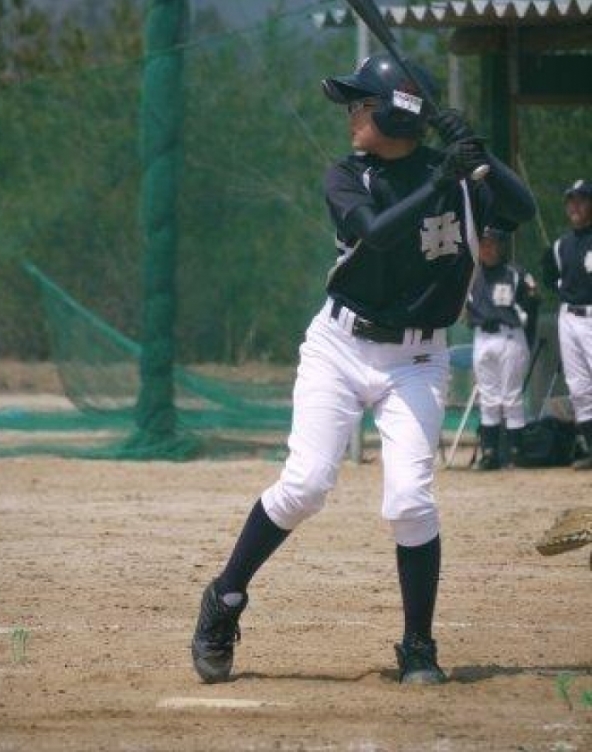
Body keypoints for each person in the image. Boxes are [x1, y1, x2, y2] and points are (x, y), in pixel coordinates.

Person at [191, 54, 536, 686]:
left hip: (418, 358)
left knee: (410, 499)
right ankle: (225, 597)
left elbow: (523, 206)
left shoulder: (458, 174)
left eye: (362, 104)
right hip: (340, 349)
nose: (351, 115)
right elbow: (375, 232)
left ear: (397, 113)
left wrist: (477, 151)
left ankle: (418, 646)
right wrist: (444, 178)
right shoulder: (349, 174)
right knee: (306, 485)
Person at [465, 226, 540, 470]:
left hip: (509, 336)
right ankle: (490, 453)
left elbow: (532, 305)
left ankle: (516, 452)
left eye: (491, 244)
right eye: (483, 244)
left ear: (501, 246)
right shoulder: (472, 275)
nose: (486, 249)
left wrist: (527, 339)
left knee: (511, 396)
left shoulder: (515, 273)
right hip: (482, 337)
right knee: (488, 397)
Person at [542, 179, 592, 469]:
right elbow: (552, 279)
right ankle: (590, 449)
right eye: (571, 200)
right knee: (579, 387)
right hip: (568, 318)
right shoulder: (561, 245)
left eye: (582, 200)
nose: (575, 205)